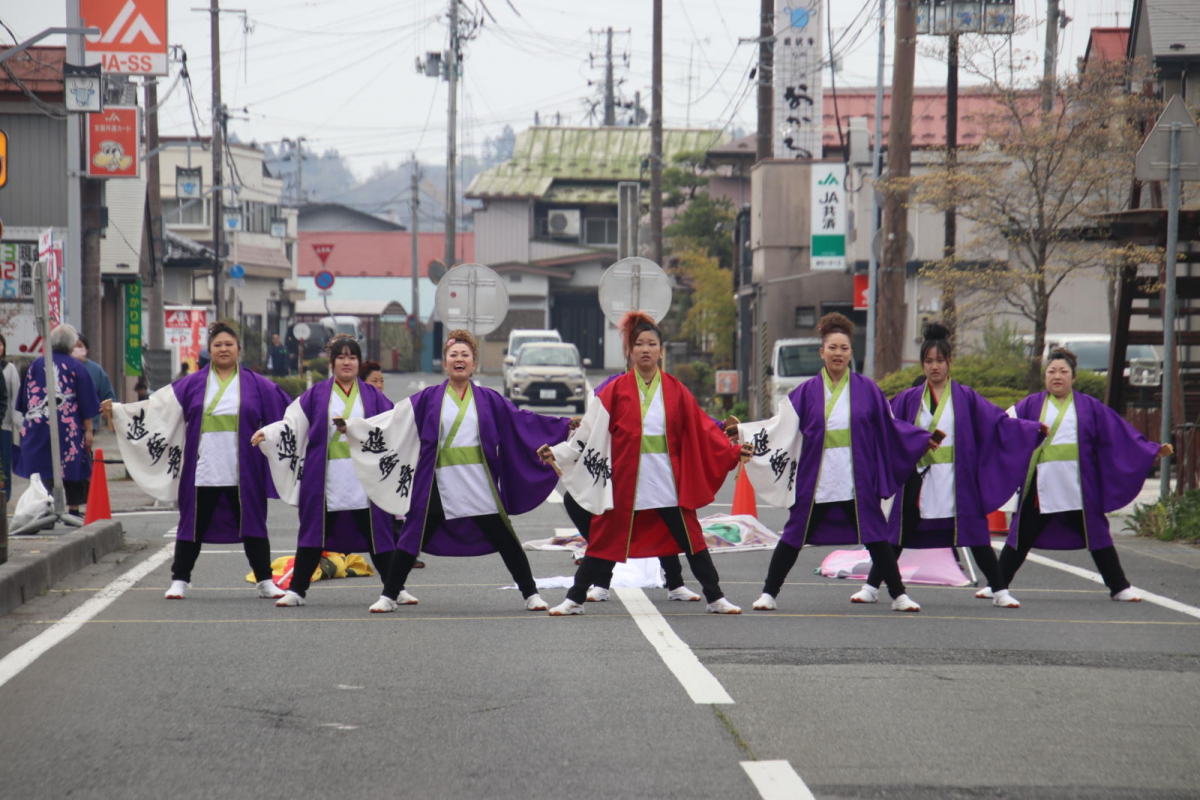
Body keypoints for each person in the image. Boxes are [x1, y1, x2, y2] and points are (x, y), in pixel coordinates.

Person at [340, 330, 569, 613]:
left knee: (506, 539)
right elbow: (393, 420)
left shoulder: (489, 399)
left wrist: (564, 425)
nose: (459, 359)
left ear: (474, 364)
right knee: (412, 537)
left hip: (478, 481)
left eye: (465, 355)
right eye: (453, 355)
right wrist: (355, 428)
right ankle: (389, 595)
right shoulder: (428, 398)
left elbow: (523, 422)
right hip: (439, 482)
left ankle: (530, 593)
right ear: (445, 364)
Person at [541, 311, 749, 616]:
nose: (646, 349)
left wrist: (732, 450)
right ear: (630, 350)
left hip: (667, 481)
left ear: (661, 351)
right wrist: (560, 454)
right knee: (602, 542)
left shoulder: (676, 390)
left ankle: (715, 597)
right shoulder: (614, 391)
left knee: (692, 541)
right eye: (640, 344)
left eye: (652, 343)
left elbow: (702, 427)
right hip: (626, 482)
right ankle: (574, 599)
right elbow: (590, 432)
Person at [739, 312, 935, 613]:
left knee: (876, 537)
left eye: (844, 348)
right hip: (816, 477)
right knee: (794, 535)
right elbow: (778, 427)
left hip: (856, 476)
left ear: (851, 352)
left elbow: (891, 427)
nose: (838, 353)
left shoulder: (868, 390)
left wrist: (921, 440)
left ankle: (899, 595)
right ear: (822, 352)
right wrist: (743, 434)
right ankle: (769, 592)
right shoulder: (804, 393)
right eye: (832, 347)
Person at [850, 323, 1045, 609]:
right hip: (918, 478)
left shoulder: (966, 397)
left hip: (957, 478)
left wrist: (1030, 430)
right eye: (928, 361)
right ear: (922, 364)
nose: (934, 367)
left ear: (950, 362)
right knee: (896, 536)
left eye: (940, 361)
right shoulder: (908, 399)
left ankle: (999, 590)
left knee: (976, 535)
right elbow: (886, 424)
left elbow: (999, 424)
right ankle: (871, 587)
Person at [105, 322, 293, 600]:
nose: (224, 349)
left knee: (253, 523)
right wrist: (120, 411)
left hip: (244, 469)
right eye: (218, 345)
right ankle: (180, 579)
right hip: (201, 467)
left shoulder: (258, 385)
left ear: (238, 349)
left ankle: (264, 580)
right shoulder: (192, 383)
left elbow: (288, 415)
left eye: (229, 344)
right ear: (209, 350)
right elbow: (156, 408)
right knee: (191, 524)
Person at [980, 348, 1173, 603]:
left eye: (1063, 371)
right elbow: (1003, 426)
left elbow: (1119, 435)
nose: (1057, 376)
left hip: (1078, 485)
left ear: (1073, 377)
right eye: (1051, 371)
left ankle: (1119, 586)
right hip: (1041, 485)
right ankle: (997, 584)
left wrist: (1149, 450)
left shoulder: (1089, 407)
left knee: (1097, 536)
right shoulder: (1030, 404)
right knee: (1020, 536)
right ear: (1044, 376)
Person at [253, 336, 399, 607]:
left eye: (352, 357)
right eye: (341, 357)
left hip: (362, 480)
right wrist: (268, 432)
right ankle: (297, 591)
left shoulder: (373, 396)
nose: (347, 362)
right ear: (332, 363)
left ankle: (395, 589)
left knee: (379, 536)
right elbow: (291, 424)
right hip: (324, 479)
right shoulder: (316, 394)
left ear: (358, 362)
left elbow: (391, 425)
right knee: (312, 536)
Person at [15, 324, 100, 517]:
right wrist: (88, 431)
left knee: (42, 466)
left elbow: (26, 401)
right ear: (71, 344)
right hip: (68, 428)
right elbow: (86, 401)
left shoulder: (36, 365)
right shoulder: (77, 367)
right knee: (72, 463)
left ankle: (43, 508)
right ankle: (73, 508)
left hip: (38, 425)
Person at [358, 359, 423, 569]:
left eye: (382, 381)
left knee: (396, 511)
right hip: (362, 470)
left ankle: (402, 555)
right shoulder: (360, 406)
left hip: (387, 466)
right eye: (374, 380)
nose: (379, 385)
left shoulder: (386, 405)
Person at [73, 334, 116, 431]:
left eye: (79, 346)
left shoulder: (96, 370)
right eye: (72, 346)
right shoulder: (62, 367)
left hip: (91, 426)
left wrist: (107, 409)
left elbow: (108, 397)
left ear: (86, 349)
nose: (75, 349)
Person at [0, 333, 19, 502]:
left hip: (4, 424)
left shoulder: (10, 369)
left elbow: (15, 397)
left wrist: (18, 424)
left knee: (4, 462)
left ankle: (5, 496)